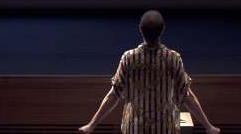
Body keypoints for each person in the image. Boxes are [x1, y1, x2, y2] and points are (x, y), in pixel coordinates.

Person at [79, 11, 220, 134]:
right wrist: (208, 126)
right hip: (166, 129)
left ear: (140, 29)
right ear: (163, 30)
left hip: (135, 129)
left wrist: (91, 125)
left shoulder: (129, 57)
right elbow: (186, 95)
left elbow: (113, 95)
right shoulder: (173, 58)